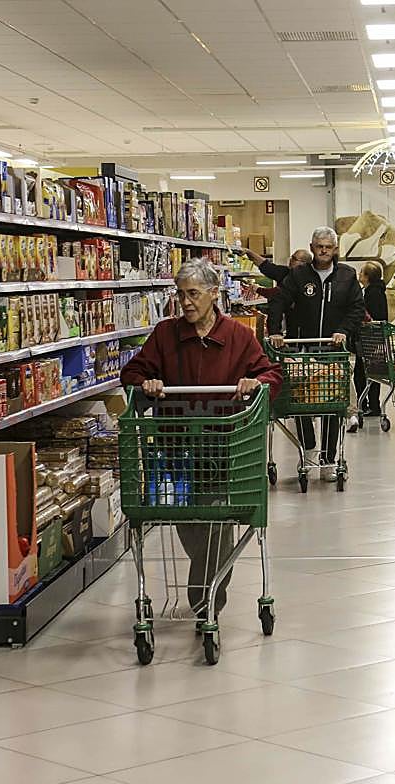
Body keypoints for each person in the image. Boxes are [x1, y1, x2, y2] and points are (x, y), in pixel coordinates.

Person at [119, 259, 282, 618]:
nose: (186, 302)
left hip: (223, 450)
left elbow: (271, 374)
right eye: (180, 295)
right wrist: (147, 383)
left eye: (193, 293)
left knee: (214, 525)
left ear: (213, 293)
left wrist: (255, 383)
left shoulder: (239, 336)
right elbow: (132, 372)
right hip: (175, 451)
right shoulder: (166, 334)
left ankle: (205, 603)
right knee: (190, 522)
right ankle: (208, 590)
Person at [267, 226, 365, 481]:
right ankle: (308, 450)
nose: (323, 251)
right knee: (301, 404)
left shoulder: (347, 276)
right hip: (303, 350)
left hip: (333, 352)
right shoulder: (298, 275)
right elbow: (278, 301)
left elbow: (357, 308)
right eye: (319, 246)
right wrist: (275, 331)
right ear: (312, 248)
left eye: (328, 247)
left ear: (335, 249)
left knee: (332, 406)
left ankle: (329, 459)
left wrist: (343, 330)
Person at [354, 261, 388, 420]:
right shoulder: (374, 290)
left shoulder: (373, 293)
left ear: (367, 277)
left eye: (361, 272)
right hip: (372, 339)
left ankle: (368, 405)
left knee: (363, 373)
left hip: (370, 339)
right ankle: (370, 404)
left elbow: (372, 316)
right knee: (369, 372)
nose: (359, 274)